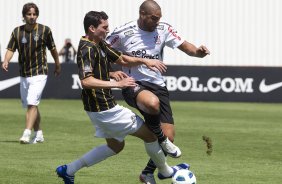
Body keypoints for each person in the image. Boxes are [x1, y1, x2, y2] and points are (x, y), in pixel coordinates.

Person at [56, 11, 189, 184]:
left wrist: (144, 62)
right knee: (151, 135)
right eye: (104, 27)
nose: (108, 30)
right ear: (92, 28)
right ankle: (165, 171)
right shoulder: (87, 49)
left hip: (98, 109)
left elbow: (123, 59)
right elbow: (86, 81)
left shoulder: (99, 43)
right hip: (105, 109)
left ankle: (69, 170)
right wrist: (117, 84)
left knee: (115, 146)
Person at [106, 0, 210, 183]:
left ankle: (148, 172)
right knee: (152, 105)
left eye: (159, 18)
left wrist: (198, 52)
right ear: (142, 14)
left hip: (158, 85)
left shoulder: (163, 29)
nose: (157, 22)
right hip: (133, 83)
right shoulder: (123, 32)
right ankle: (161, 141)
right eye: (154, 18)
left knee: (170, 136)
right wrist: (112, 72)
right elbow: (101, 52)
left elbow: (186, 47)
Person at [1, 2, 61, 144]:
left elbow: (53, 48)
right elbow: (11, 49)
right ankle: (39, 133)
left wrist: (57, 64)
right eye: (29, 14)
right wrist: (6, 60)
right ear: (24, 16)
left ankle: (26, 133)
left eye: (34, 14)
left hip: (40, 72)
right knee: (31, 104)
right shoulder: (17, 31)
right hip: (24, 74)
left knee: (31, 103)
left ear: (37, 15)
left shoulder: (45, 30)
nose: (32, 17)